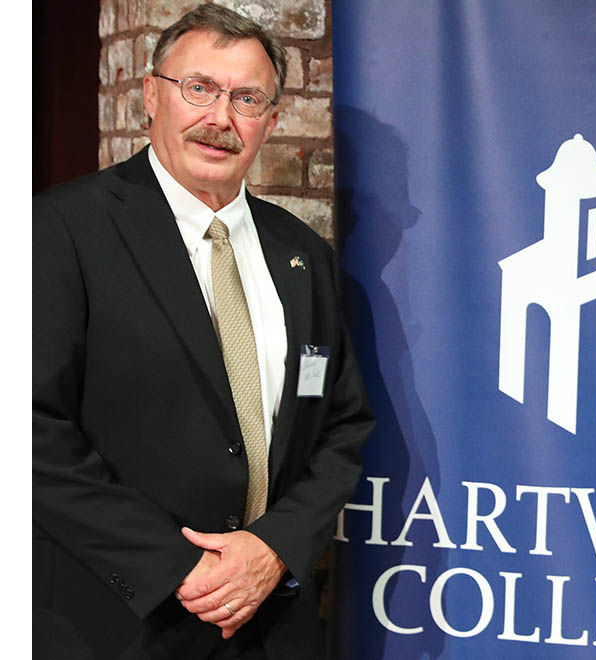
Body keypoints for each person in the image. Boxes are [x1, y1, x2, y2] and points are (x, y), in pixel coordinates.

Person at [32, 4, 374, 659]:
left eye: (246, 99)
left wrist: (274, 547)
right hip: (113, 624)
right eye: (199, 89)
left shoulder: (303, 256)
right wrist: (177, 568)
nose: (220, 118)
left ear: (272, 121)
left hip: (271, 624)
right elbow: (29, 432)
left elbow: (342, 427)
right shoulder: (59, 233)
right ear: (150, 96)